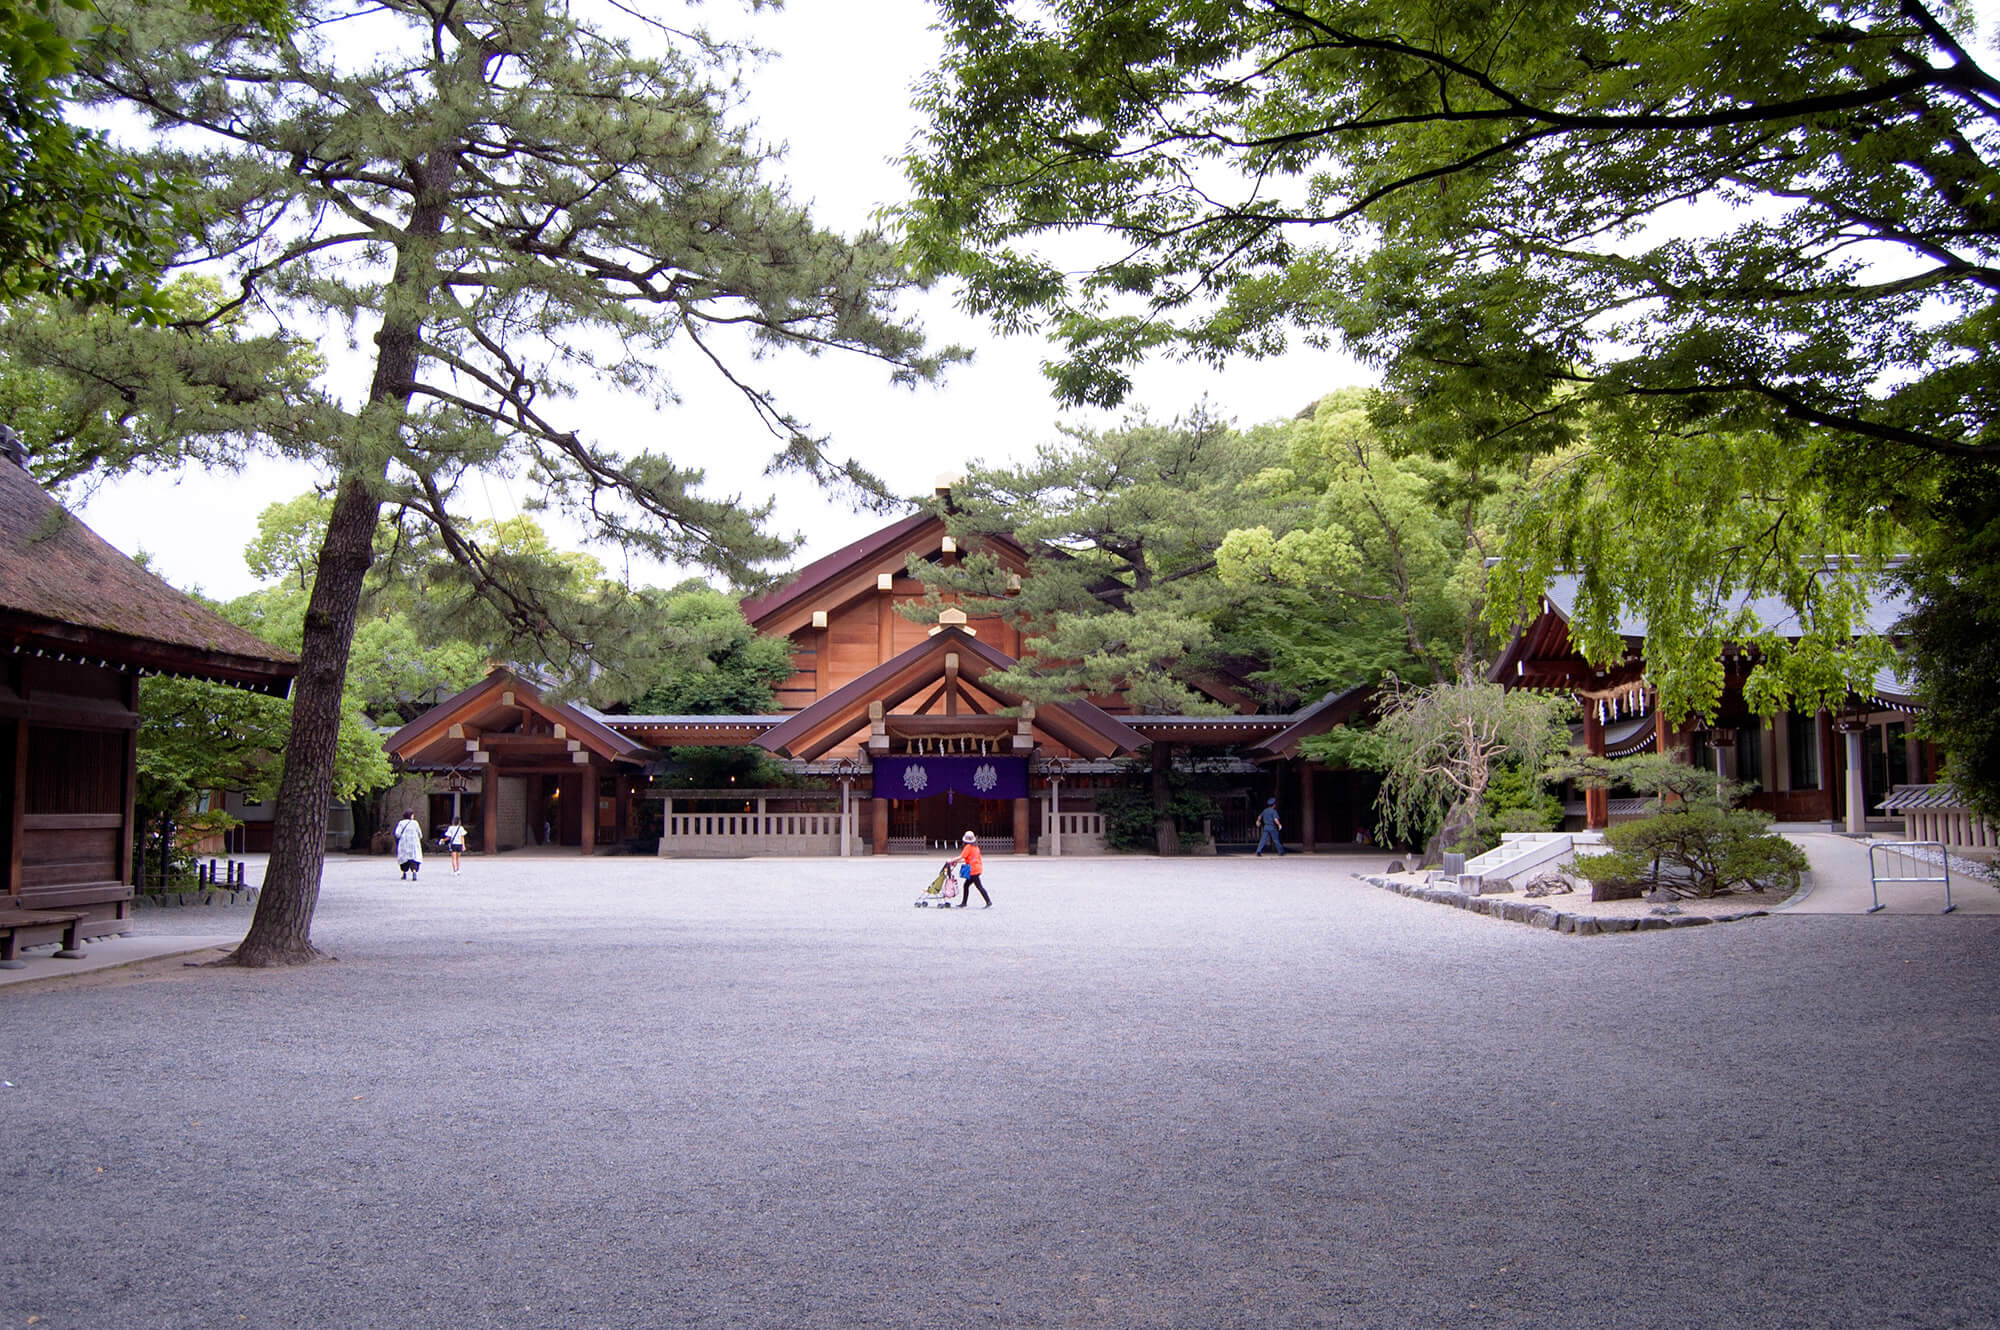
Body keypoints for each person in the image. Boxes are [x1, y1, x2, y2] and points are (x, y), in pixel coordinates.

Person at [949, 830, 990, 908]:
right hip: (977, 868)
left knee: (978, 886)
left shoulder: (968, 847)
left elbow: (961, 857)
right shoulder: (976, 847)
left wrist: (951, 860)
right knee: (966, 885)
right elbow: (969, 858)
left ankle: (988, 901)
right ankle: (964, 903)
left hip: (973, 870)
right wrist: (957, 862)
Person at [393, 808, 425, 880]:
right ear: (411, 815)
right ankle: (414, 872)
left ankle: (404, 873)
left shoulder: (401, 823)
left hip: (404, 844)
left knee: (404, 859)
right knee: (414, 858)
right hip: (414, 844)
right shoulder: (415, 823)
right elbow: (420, 834)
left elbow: (397, 833)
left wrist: (402, 837)